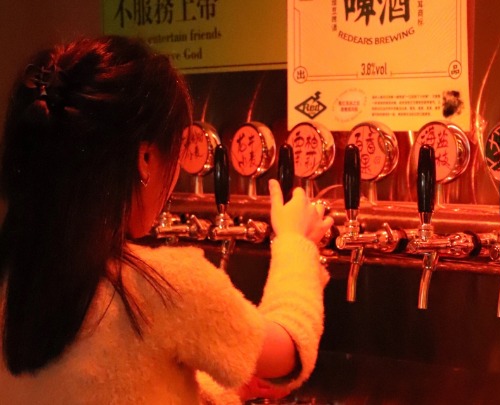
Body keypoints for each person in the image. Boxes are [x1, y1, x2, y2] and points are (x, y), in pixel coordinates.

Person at [0, 35, 333, 404]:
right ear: (145, 159)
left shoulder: (16, 275)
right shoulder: (162, 288)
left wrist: (220, 390)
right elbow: (290, 352)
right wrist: (295, 244)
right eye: (179, 148)